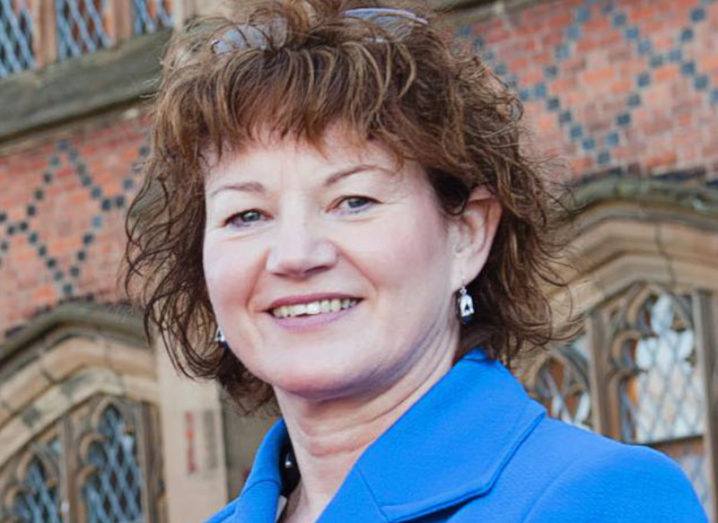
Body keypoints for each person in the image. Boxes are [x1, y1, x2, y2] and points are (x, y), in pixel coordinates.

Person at [124, 0, 707, 521]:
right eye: (246, 216)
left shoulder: (597, 498)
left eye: (353, 201)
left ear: (468, 236)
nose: (296, 255)